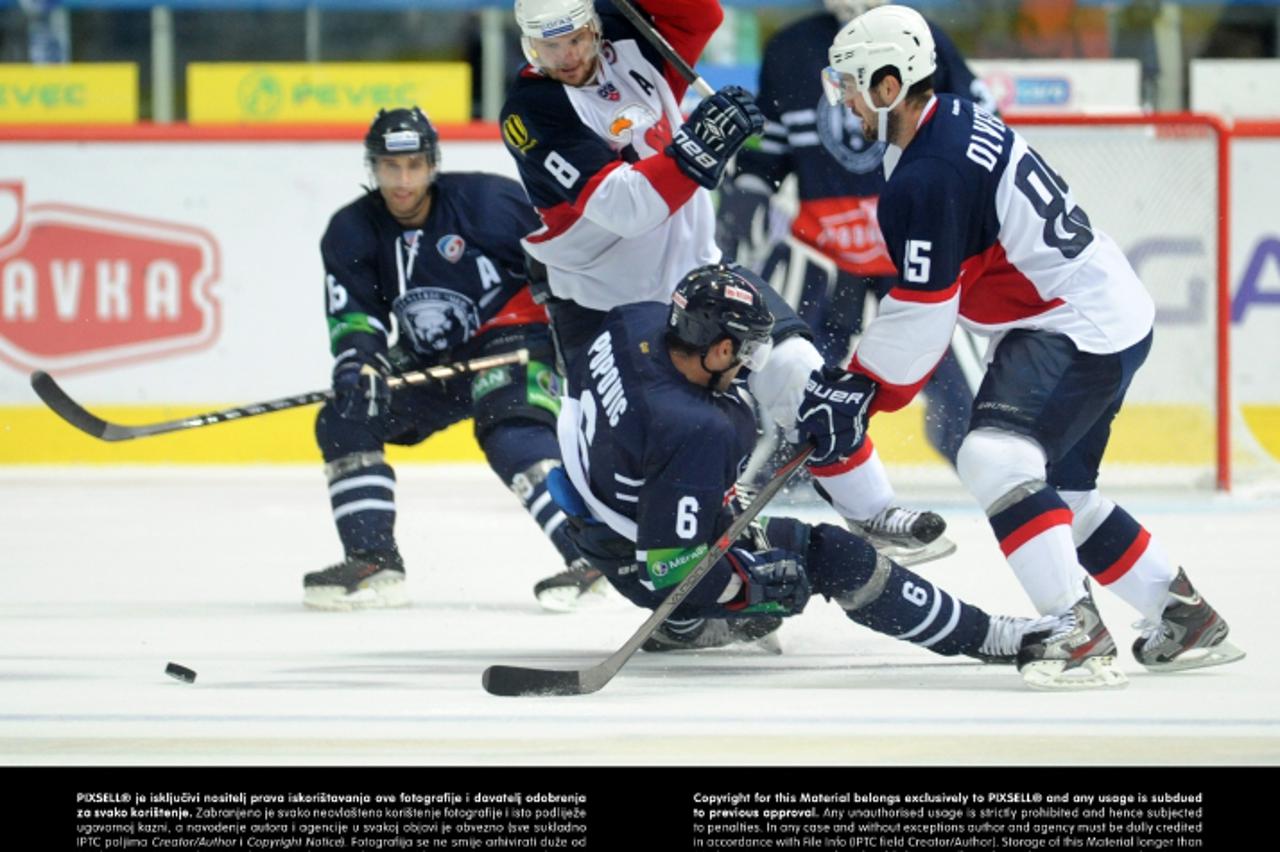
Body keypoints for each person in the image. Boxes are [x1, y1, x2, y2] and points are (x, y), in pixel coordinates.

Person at [823, 4, 1245, 688]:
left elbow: (930, 310)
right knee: (1061, 497)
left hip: (1072, 321)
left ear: (890, 84)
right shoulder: (947, 121)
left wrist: (864, 389)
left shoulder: (929, 173)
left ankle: (1075, 633)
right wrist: (869, 381)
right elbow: (939, 289)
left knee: (995, 457)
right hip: (1100, 305)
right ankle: (1182, 613)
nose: (842, 97)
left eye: (851, 82)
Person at [500, 0, 954, 581]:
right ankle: (662, 580)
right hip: (604, 307)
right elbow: (627, 206)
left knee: (799, 371)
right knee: (633, 452)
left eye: (575, 39)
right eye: (546, 46)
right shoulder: (530, 109)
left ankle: (874, 510)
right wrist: (696, 151)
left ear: (594, 25)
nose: (565, 57)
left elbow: (701, 16)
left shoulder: (631, 36)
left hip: (696, 273)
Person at [548, 263, 1049, 661]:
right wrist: (748, 583)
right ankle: (989, 637)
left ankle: (691, 617)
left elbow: (732, 276)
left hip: (602, 515)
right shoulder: (698, 430)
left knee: (747, 542)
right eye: (743, 352)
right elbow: (667, 570)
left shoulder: (634, 321)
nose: (748, 365)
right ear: (719, 348)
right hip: (644, 558)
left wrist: (799, 364)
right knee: (833, 557)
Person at [304, 106, 606, 612]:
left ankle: (592, 557)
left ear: (433, 164)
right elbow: (356, 316)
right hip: (432, 357)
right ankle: (373, 559)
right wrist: (361, 365)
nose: (403, 180)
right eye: (390, 167)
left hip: (511, 340)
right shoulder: (351, 230)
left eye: (415, 165)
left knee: (510, 430)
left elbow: (566, 259)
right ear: (372, 167)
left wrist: (570, 341)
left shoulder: (488, 203)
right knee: (345, 415)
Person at [722, 0, 995, 467]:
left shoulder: (919, 37)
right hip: (825, 259)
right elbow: (768, 152)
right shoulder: (790, 49)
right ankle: (798, 481)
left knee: (964, 409)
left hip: (915, 255)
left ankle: (995, 474)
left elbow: (976, 128)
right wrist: (749, 187)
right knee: (800, 394)